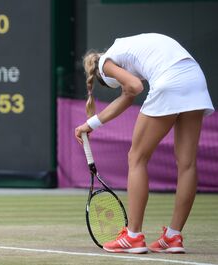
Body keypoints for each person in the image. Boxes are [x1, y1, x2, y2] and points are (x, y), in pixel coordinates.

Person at [74, 33, 214, 254]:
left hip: (170, 80)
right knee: (187, 164)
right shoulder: (127, 48)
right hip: (195, 79)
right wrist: (91, 124)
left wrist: (90, 124)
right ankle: (173, 236)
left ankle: (133, 236)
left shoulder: (104, 63)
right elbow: (129, 92)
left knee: (136, 158)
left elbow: (135, 87)